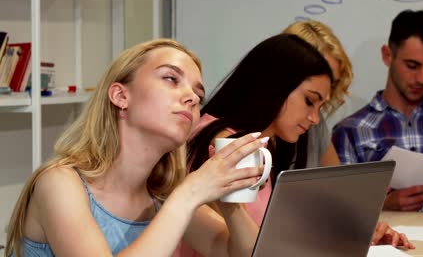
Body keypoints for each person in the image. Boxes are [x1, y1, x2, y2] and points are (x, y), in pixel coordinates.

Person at [5, 39, 267, 257]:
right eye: (171, 78)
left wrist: (231, 203)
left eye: (198, 96)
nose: (192, 98)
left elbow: (245, 254)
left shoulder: (162, 196)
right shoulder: (59, 183)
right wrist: (191, 191)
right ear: (121, 96)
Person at [186, 31, 413, 256]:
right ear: (276, 85)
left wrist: (357, 235)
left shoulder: (266, 142)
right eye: (309, 101)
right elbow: (239, 247)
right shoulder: (227, 142)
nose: (314, 119)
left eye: (320, 107)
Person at [331, 9, 423, 213]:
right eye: (412, 65)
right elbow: (339, 211)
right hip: (389, 243)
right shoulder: (350, 131)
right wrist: (383, 205)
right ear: (387, 55)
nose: (422, 78)